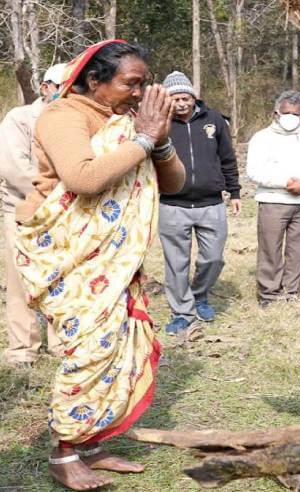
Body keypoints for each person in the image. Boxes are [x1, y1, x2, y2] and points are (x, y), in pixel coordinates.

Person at [13, 40, 185, 490]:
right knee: (88, 349)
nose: (139, 93)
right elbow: (83, 178)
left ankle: (90, 442)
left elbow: (175, 182)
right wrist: (144, 139)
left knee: (115, 348)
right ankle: (63, 452)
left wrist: (159, 142)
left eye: (144, 83)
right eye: (131, 83)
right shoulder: (64, 115)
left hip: (113, 257)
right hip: (67, 252)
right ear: (95, 81)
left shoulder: (128, 122)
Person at [159, 71, 241, 335]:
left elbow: (228, 158)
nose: (181, 103)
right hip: (173, 205)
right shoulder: (160, 124)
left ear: (194, 97)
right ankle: (181, 313)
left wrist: (235, 191)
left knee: (213, 258)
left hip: (211, 204)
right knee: (176, 263)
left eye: (185, 98)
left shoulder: (214, 120)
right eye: (175, 99)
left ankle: (200, 295)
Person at [0, 63, 67, 367]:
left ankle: (61, 342)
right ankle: (22, 349)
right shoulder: (20, 118)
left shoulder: (70, 121)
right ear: (45, 88)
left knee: (60, 277)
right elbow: (14, 168)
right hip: (21, 208)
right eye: (61, 89)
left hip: (63, 211)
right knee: (21, 279)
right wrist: (62, 191)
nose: (66, 95)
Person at [246, 90, 300, 307]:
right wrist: (286, 183)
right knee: (270, 248)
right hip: (273, 200)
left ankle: (290, 291)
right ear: (276, 112)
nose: (290, 117)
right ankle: (268, 293)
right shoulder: (262, 137)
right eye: (286, 112)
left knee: (298, 250)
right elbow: (254, 171)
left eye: (295, 113)